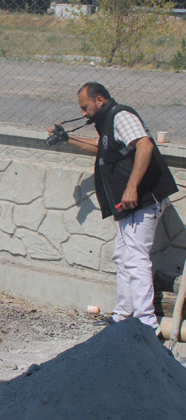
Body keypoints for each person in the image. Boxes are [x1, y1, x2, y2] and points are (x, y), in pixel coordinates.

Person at [56, 82, 178, 330]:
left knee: (135, 258)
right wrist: (67, 138)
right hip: (128, 205)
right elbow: (100, 147)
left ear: (100, 100)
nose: (83, 113)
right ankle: (123, 316)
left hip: (143, 200)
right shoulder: (108, 122)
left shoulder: (121, 115)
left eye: (85, 107)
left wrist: (132, 187)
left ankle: (146, 322)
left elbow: (144, 145)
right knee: (123, 257)